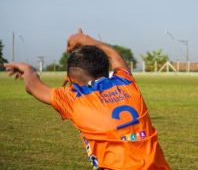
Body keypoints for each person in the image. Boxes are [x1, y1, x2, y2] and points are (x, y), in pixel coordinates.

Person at [5, 29, 170, 170]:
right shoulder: (127, 83)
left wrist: (27, 69)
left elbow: (33, 86)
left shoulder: (74, 99)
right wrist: (85, 39)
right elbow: (115, 56)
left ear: (72, 79)